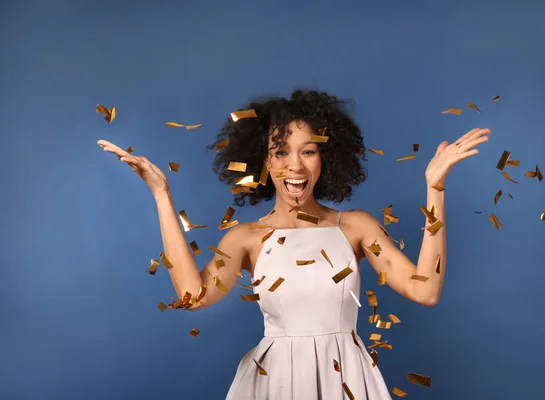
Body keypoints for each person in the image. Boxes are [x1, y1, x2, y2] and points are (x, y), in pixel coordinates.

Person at [98, 90, 490, 399]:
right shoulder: (245, 237)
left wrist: (434, 187)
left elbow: (425, 289)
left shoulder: (354, 226)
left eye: (308, 151)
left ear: (325, 158)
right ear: (263, 162)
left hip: (347, 382)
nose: (295, 166)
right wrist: (162, 195)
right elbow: (191, 295)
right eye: (281, 152)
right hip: (274, 384)